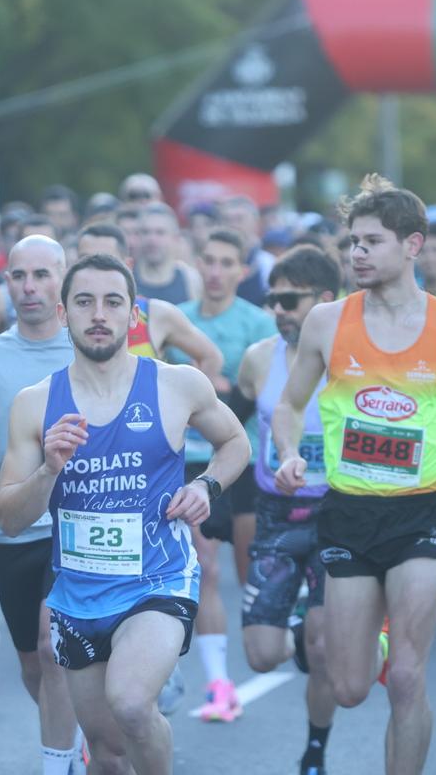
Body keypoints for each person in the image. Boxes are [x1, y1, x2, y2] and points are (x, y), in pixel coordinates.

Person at [273, 174, 436, 775]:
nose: (356, 253)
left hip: (424, 511)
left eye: (371, 242)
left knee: (408, 679)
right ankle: (376, 640)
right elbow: (288, 404)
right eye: (352, 242)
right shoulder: (327, 323)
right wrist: (287, 453)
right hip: (350, 512)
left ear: (413, 246)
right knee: (352, 687)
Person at [0, 253, 250, 775]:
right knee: (108, 752)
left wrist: (206, 486)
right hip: (77, 593)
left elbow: (235, 443)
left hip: (157, 580)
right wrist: (47, 470)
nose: (98, 314)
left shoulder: (176, 385)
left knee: (132, 705)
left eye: (113, 302)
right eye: (84, 301)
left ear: (134, 315)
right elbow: (10, 518)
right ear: (63, 313)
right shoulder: (34, 404)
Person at [0, 235, 83, 774]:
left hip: (78, 529)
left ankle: (62, 763)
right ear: (5, 283)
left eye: (42, 275)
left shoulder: (90, 349)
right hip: (10, 531)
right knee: (34, 665)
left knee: (54, 652)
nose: (29, 287)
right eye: (17, 276)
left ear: (63, 279)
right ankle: (79, 741)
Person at [164, 227, 276, 723]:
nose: (214, 271)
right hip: (186, 458)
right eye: (207, 260)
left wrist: (221, 391)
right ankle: (218, 682)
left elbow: (255, 392)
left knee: (248, 569)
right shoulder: (177, 321)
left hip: (242, 458)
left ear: (242, 271)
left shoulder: (256, 323)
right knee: (203, 566)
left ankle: (268, 636)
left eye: (226, 262)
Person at [238, 247, 342, 775]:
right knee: (260, 654)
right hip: (276, 512)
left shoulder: (352, 359)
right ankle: (298, 633)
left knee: (326, 651)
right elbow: (240, 424)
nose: (278, 309)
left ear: (325, 301)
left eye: (290, 300)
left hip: (337, 512)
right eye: (272, 299)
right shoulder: (258, 358)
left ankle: (315, 752)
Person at [74, 224, 223, 386]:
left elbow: (211, 357)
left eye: (106, 262)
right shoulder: (64, 314)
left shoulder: (156, 314)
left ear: (128, 266)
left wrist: (187, 404)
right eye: (85, 260)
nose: (94, 271)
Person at [132, 204, 200, 305]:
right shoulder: (126, 278)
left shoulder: (192, 280)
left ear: (175, 238)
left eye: (160, 232)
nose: (151, 239)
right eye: (145, 232)